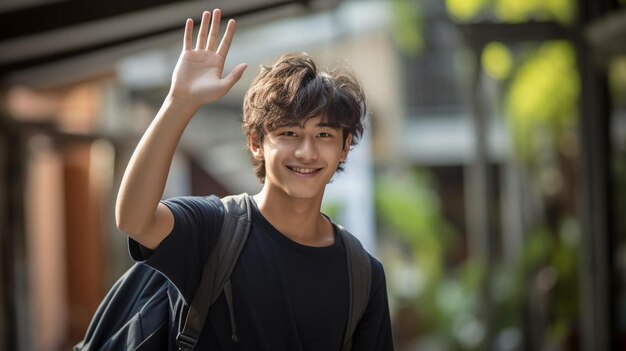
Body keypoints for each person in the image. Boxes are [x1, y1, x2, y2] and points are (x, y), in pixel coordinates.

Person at [115, 8, 394, 350]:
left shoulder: (363, 274)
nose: (307, 152)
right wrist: (179, 102)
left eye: (324, 135)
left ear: (345, 147)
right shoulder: (214, 230)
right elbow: (133, 219)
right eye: (289, 133)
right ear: (255, 143)